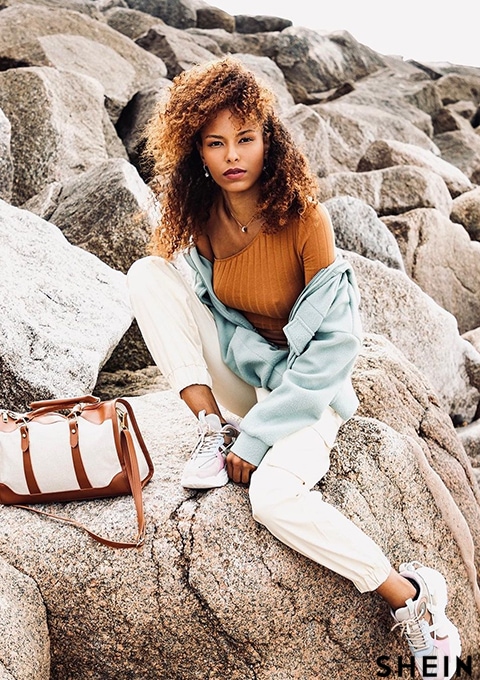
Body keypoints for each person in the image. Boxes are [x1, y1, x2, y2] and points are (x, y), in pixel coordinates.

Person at [127, 56, 461, 678]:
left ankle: (413, 598)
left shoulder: (307, 219)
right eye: (215, 143)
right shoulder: (200, 217)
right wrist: (235, 423)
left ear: (269, 139)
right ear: (197, 150)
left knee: (274, 497)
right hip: (243, 377)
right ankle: (210, 428)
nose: (233, 156)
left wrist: (259, 436)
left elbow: (333, 350)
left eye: (245, 138)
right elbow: (211, 315)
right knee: (148, 274)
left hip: (308, 390)